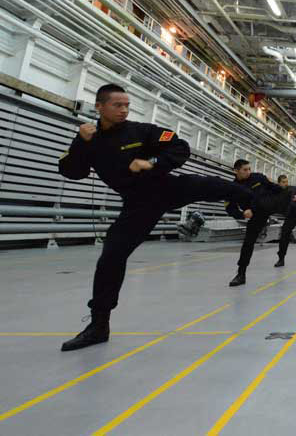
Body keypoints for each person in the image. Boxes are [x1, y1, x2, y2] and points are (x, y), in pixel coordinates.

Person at [57, 84, 255, 351]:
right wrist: (81, 142)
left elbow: (179, 146)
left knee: (216, 186)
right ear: (99, 106)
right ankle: (98, 325)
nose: (124, 110)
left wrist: (153, 164)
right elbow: (72, 171)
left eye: (127, 105)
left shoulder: (140, 131)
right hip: (138, 205)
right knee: (111, 258)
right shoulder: (89, 139)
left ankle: (268, 203)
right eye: (117, 105)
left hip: (165, 186)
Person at [225, 161, 296, 286]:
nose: (248, 172)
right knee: (248, 242)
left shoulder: (258, 177)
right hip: (256, 213)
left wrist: (287, 196)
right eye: (245, 170)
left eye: (249, 169)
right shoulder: (232, 188)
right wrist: (242, 214)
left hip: (275, 205)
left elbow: (274, 188)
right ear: (236, 171)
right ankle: (241, 274)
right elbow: (230, 208)